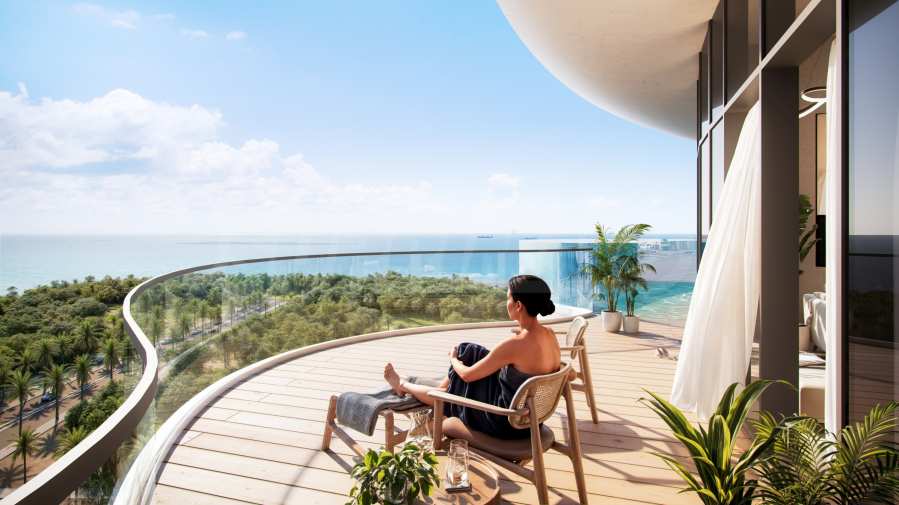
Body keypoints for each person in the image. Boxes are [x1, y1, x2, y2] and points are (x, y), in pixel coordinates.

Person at [383, 274, 560, 440]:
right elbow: (569, 373)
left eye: (508, 298)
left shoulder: (516, 344)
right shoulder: (550, 335)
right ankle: (444, 388)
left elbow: (467, 375)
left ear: (519, 305)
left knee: (456, 378)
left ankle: (403, 385)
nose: (506, 303)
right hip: (529, 418)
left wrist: (453, 359)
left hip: (504, 420)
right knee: (470, 351)